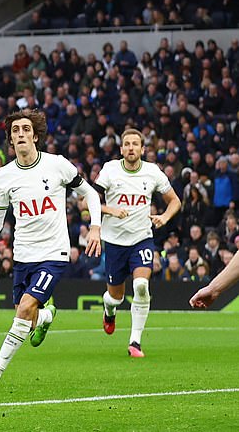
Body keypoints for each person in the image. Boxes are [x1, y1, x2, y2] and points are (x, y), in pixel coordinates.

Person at [0, 109, 102, 389]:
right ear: (10, 140)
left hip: (54, 253)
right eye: (15, 130)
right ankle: (46, 315)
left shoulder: (57, 165)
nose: (21, 134)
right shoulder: (4, 176)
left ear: (36, 136)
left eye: (26, 129)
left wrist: (96, 227)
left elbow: (89, 192)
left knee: (24, 307)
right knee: (26, 314)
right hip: (23, 255)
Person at [93, 128, 181, 358]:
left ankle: (135, 342)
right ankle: (109, 310)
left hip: (142, 239)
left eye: (135, 144)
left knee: (141, 286)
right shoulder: (110, 170)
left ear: (143, 149)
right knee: (115, 297)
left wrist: (164, 216)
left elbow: (174, 201)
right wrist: (109, 209)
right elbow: (89, 200)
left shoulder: (153, 172)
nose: (131, 148)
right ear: (121, 149)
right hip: (114, 242)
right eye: (127, 144)